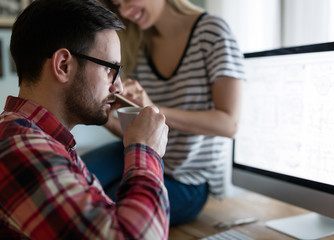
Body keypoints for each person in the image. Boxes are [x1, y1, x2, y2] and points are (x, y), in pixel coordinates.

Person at [0, 0, 170, 239]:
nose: (118, 86)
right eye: (110, 69)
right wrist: (145, 150)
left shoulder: (46, 141)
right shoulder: (21, 148)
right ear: (63, 65)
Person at [83, 0, 245, 226]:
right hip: (138, 151)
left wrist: (153, 110)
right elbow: (136, 133)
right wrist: (100, 114)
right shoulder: (136, 41)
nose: (125, 12)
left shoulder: (213, 32)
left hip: (187, 178)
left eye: (128, 0)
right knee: (73, 180)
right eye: (119, 4)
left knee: (104, 208)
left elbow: (230, 124)